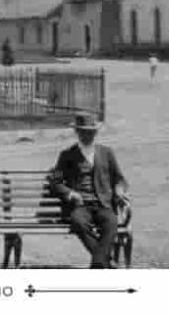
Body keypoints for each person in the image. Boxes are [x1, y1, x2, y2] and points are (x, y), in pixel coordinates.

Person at [49, 113, 129, 268]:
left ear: (96, 133)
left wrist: (119, 191)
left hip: (103, 204)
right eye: (84, 132)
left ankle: (98, 264)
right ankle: (106, 261)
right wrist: (70, 194)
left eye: (91, 132)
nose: (88, 135)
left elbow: (119, 179)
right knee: (78, 222)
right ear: (77, 132)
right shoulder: (67, 155)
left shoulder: (107, 153)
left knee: (111, 223)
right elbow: (55, 182)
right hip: (80, 206)